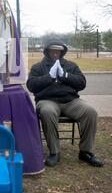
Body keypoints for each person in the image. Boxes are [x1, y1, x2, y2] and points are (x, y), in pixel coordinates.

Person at [26, 38, 104, 167]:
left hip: (70, 101)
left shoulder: (70, 66)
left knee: (90, 112)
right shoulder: (38, 67)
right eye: (53, 51)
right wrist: (49, 77)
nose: (55, 54)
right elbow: (31, 86)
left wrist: (65, 75)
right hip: (47, 100)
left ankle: (86, 151)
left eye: (58, 51)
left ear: (63, 52)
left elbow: (81, 83)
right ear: (47, 51)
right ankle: (54, 152)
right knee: (47, 111)